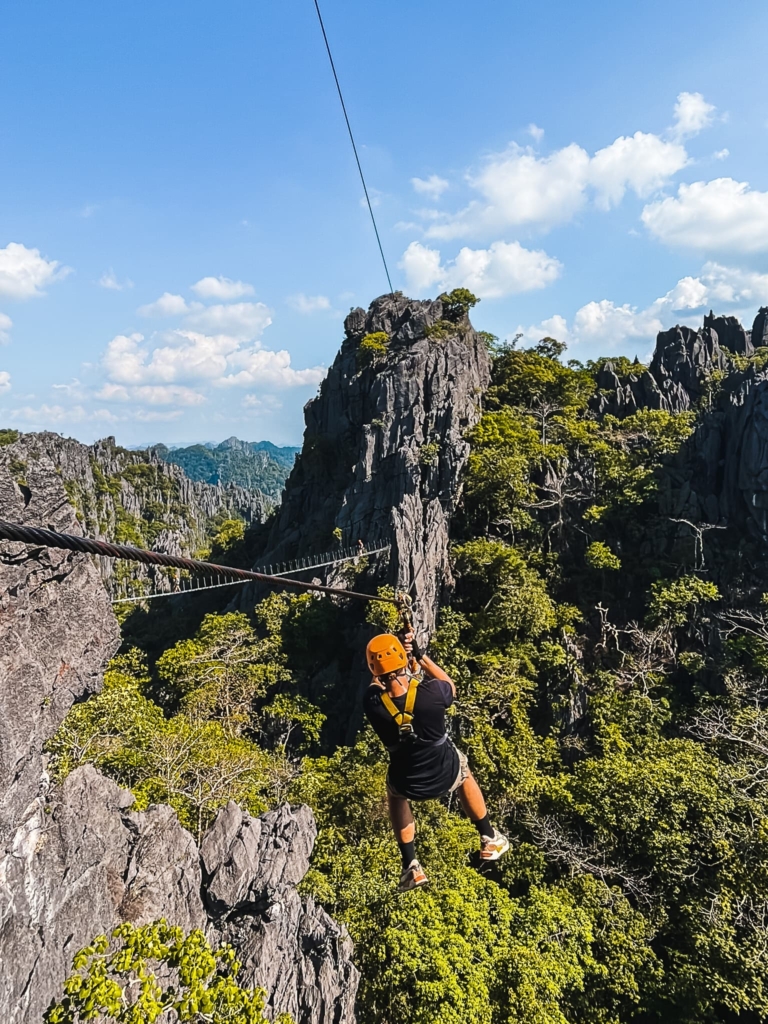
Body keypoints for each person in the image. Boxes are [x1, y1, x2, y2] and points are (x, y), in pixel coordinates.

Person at [363, 631, 509, 892]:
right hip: (447, 773)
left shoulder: (372, 704)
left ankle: (411, 865)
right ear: (403, 663)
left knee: (394, 793)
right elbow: (449, 686)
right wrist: (419, 656)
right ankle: (488, 836)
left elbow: (377, 682)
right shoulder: (432, 693)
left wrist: (397, 664)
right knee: (465, 771)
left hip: (409, 783)